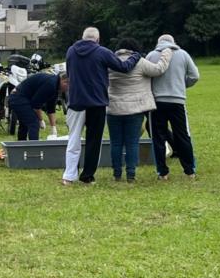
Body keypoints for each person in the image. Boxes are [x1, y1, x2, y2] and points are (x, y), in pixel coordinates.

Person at [62, 27, 140, 185]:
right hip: (96, 102)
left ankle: (69, 176)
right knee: (93, 141)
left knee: (74, 139)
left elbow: (69, 73)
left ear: (82, 38)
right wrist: (135, 57)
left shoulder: (71, 51)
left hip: (76, 101)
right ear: (97, 39)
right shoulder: (102, 52)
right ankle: (87, 176)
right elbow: (123, 67)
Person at [107, 38, 172, 182]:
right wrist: (166, 53)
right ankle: (131, 174)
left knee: (116, 143)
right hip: (135, 109)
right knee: (132, 142)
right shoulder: (139, 62)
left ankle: (117, 174)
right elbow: (159, 69)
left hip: (113, 108)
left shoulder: (110, 62)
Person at [147, 34, 199, 180]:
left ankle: (162, 172)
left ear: (158, 43)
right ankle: (190, 170)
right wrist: (182, 85)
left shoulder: (151, 55)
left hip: (157, 102)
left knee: (158, 137)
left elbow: (146, 77)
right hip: (177, 101)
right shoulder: (183, 54)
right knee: (183, 135)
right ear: (173, 42)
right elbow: (195, 75)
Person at [8, 71, 69, 141]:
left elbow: (51, 108)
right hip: (17, 98)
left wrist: (53, 127)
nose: (68, 87)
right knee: (34, 123)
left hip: (21, 98)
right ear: (62, 80)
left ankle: (22, 147)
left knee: (25, 124)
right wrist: (41, 120)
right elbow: (36, 105)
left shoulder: (56, 86)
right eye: (67, 83)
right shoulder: (51, 84)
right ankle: (34, 148)